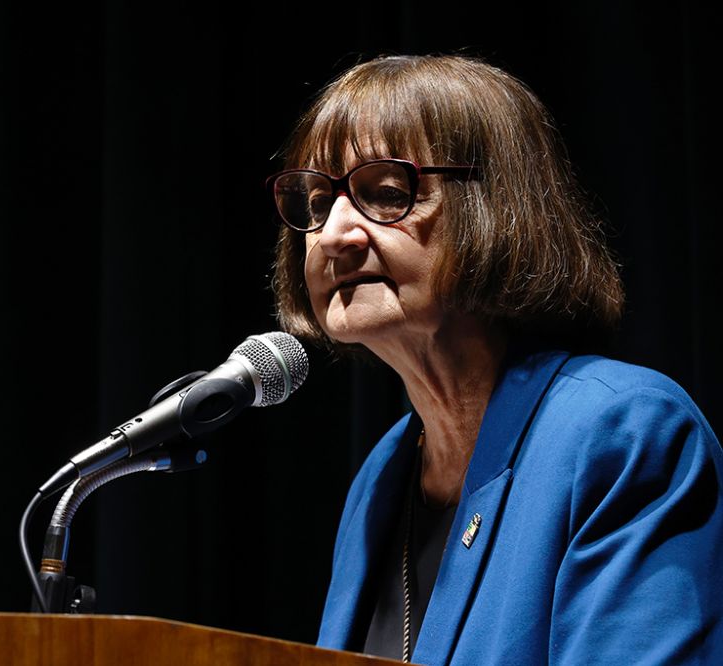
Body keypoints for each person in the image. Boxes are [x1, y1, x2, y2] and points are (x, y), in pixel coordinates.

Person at [268, 55, 723, 664]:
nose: (332, 235)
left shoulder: (625, 433)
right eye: (318, 202)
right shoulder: (382, 478)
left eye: (385, 194)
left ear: (497, 209)